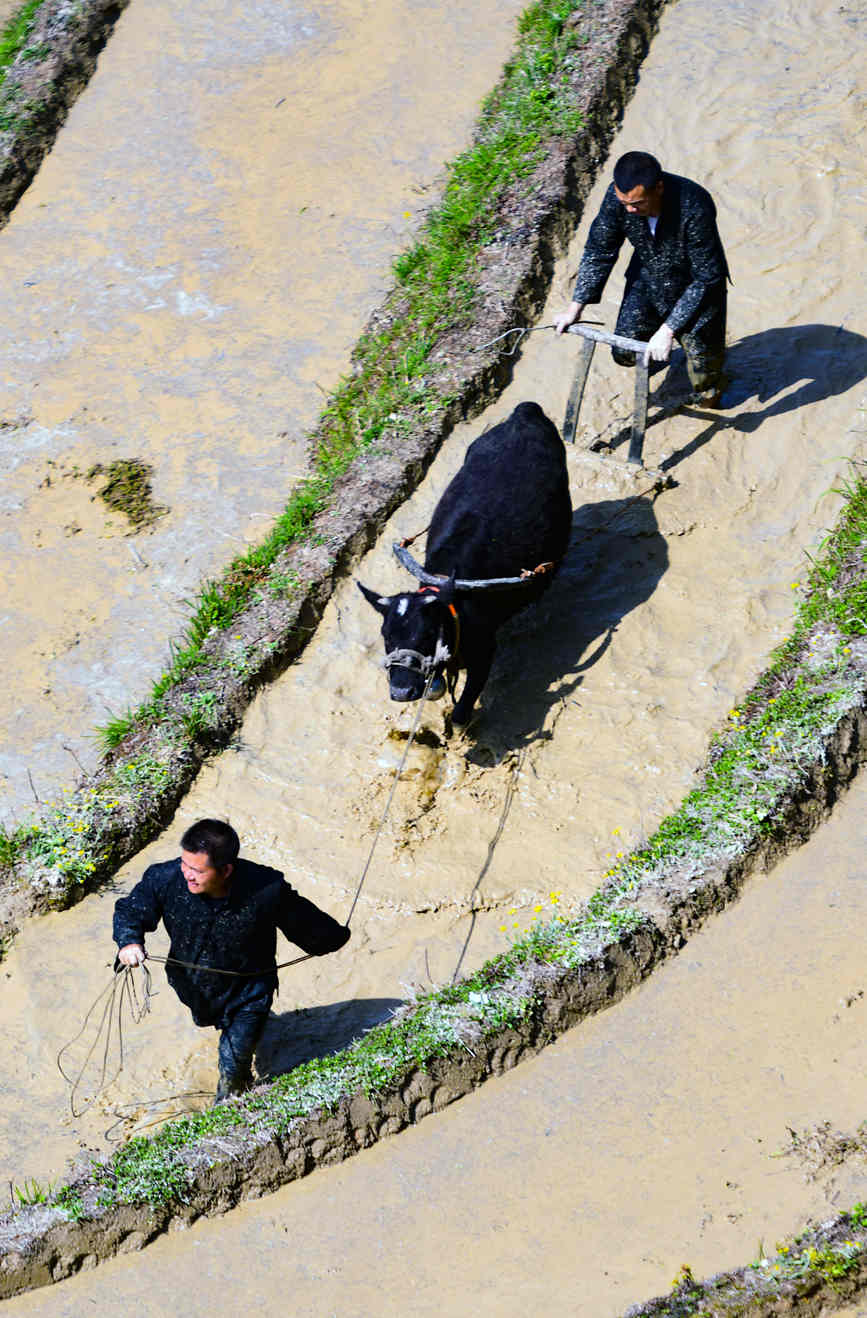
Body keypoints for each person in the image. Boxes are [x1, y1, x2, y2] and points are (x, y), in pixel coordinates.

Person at [113, 818, 350, 1102]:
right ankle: (239, 1034)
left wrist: (335, 937)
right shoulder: (164, 878)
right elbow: (131, 910)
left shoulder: (266, 888)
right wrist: (129, 941)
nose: (187, 875)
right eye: (184, 864)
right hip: (192, 984)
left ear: (226, 870)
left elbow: (306, 924)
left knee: (232, 1061)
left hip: (249, 989)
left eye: (197, 870)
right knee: (215, 1021)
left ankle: (229, 1104)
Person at [556, 151, 730, 405]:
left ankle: (707, 376)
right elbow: (599, 249)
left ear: (658, 188)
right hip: (648, 276)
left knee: (706, 382)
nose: (629, 210)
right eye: (624, 203)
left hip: (695, 286)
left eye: (637, 204)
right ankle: (667, 353)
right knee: (624, 350)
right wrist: (575, 307)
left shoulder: (694, 204)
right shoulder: (618, 199)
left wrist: (667, 330)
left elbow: (707, 277)